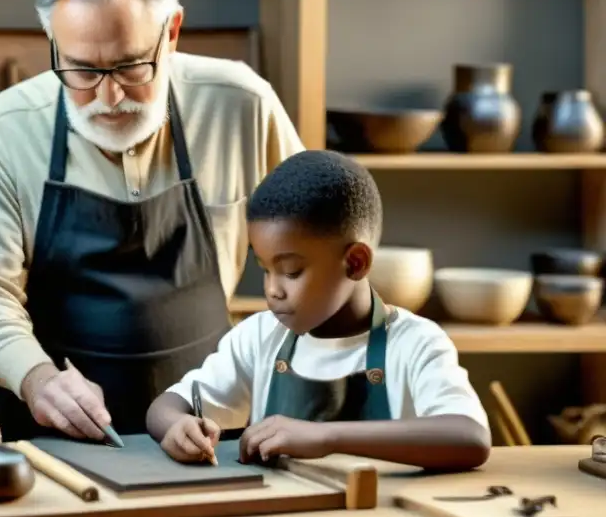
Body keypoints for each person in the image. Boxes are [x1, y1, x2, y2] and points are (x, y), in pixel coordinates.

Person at [0, 0, 304, 442]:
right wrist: (38, 380)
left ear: (172, 32)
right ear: (52, 42)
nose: (108, 98)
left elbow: (313, 249)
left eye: (131, 66)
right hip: (50, 436)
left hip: (210, 429)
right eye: (82, 70)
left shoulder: (241, 105)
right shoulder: (4, 131)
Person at [146, 150, 491, 471]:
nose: (272, 289)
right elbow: (164, 407)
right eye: (265, 269)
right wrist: (178, 427)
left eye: (292, 272)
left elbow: (470, 438)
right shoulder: (260, 337)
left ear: (355, 263)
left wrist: (325, 436)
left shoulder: (415, 343)